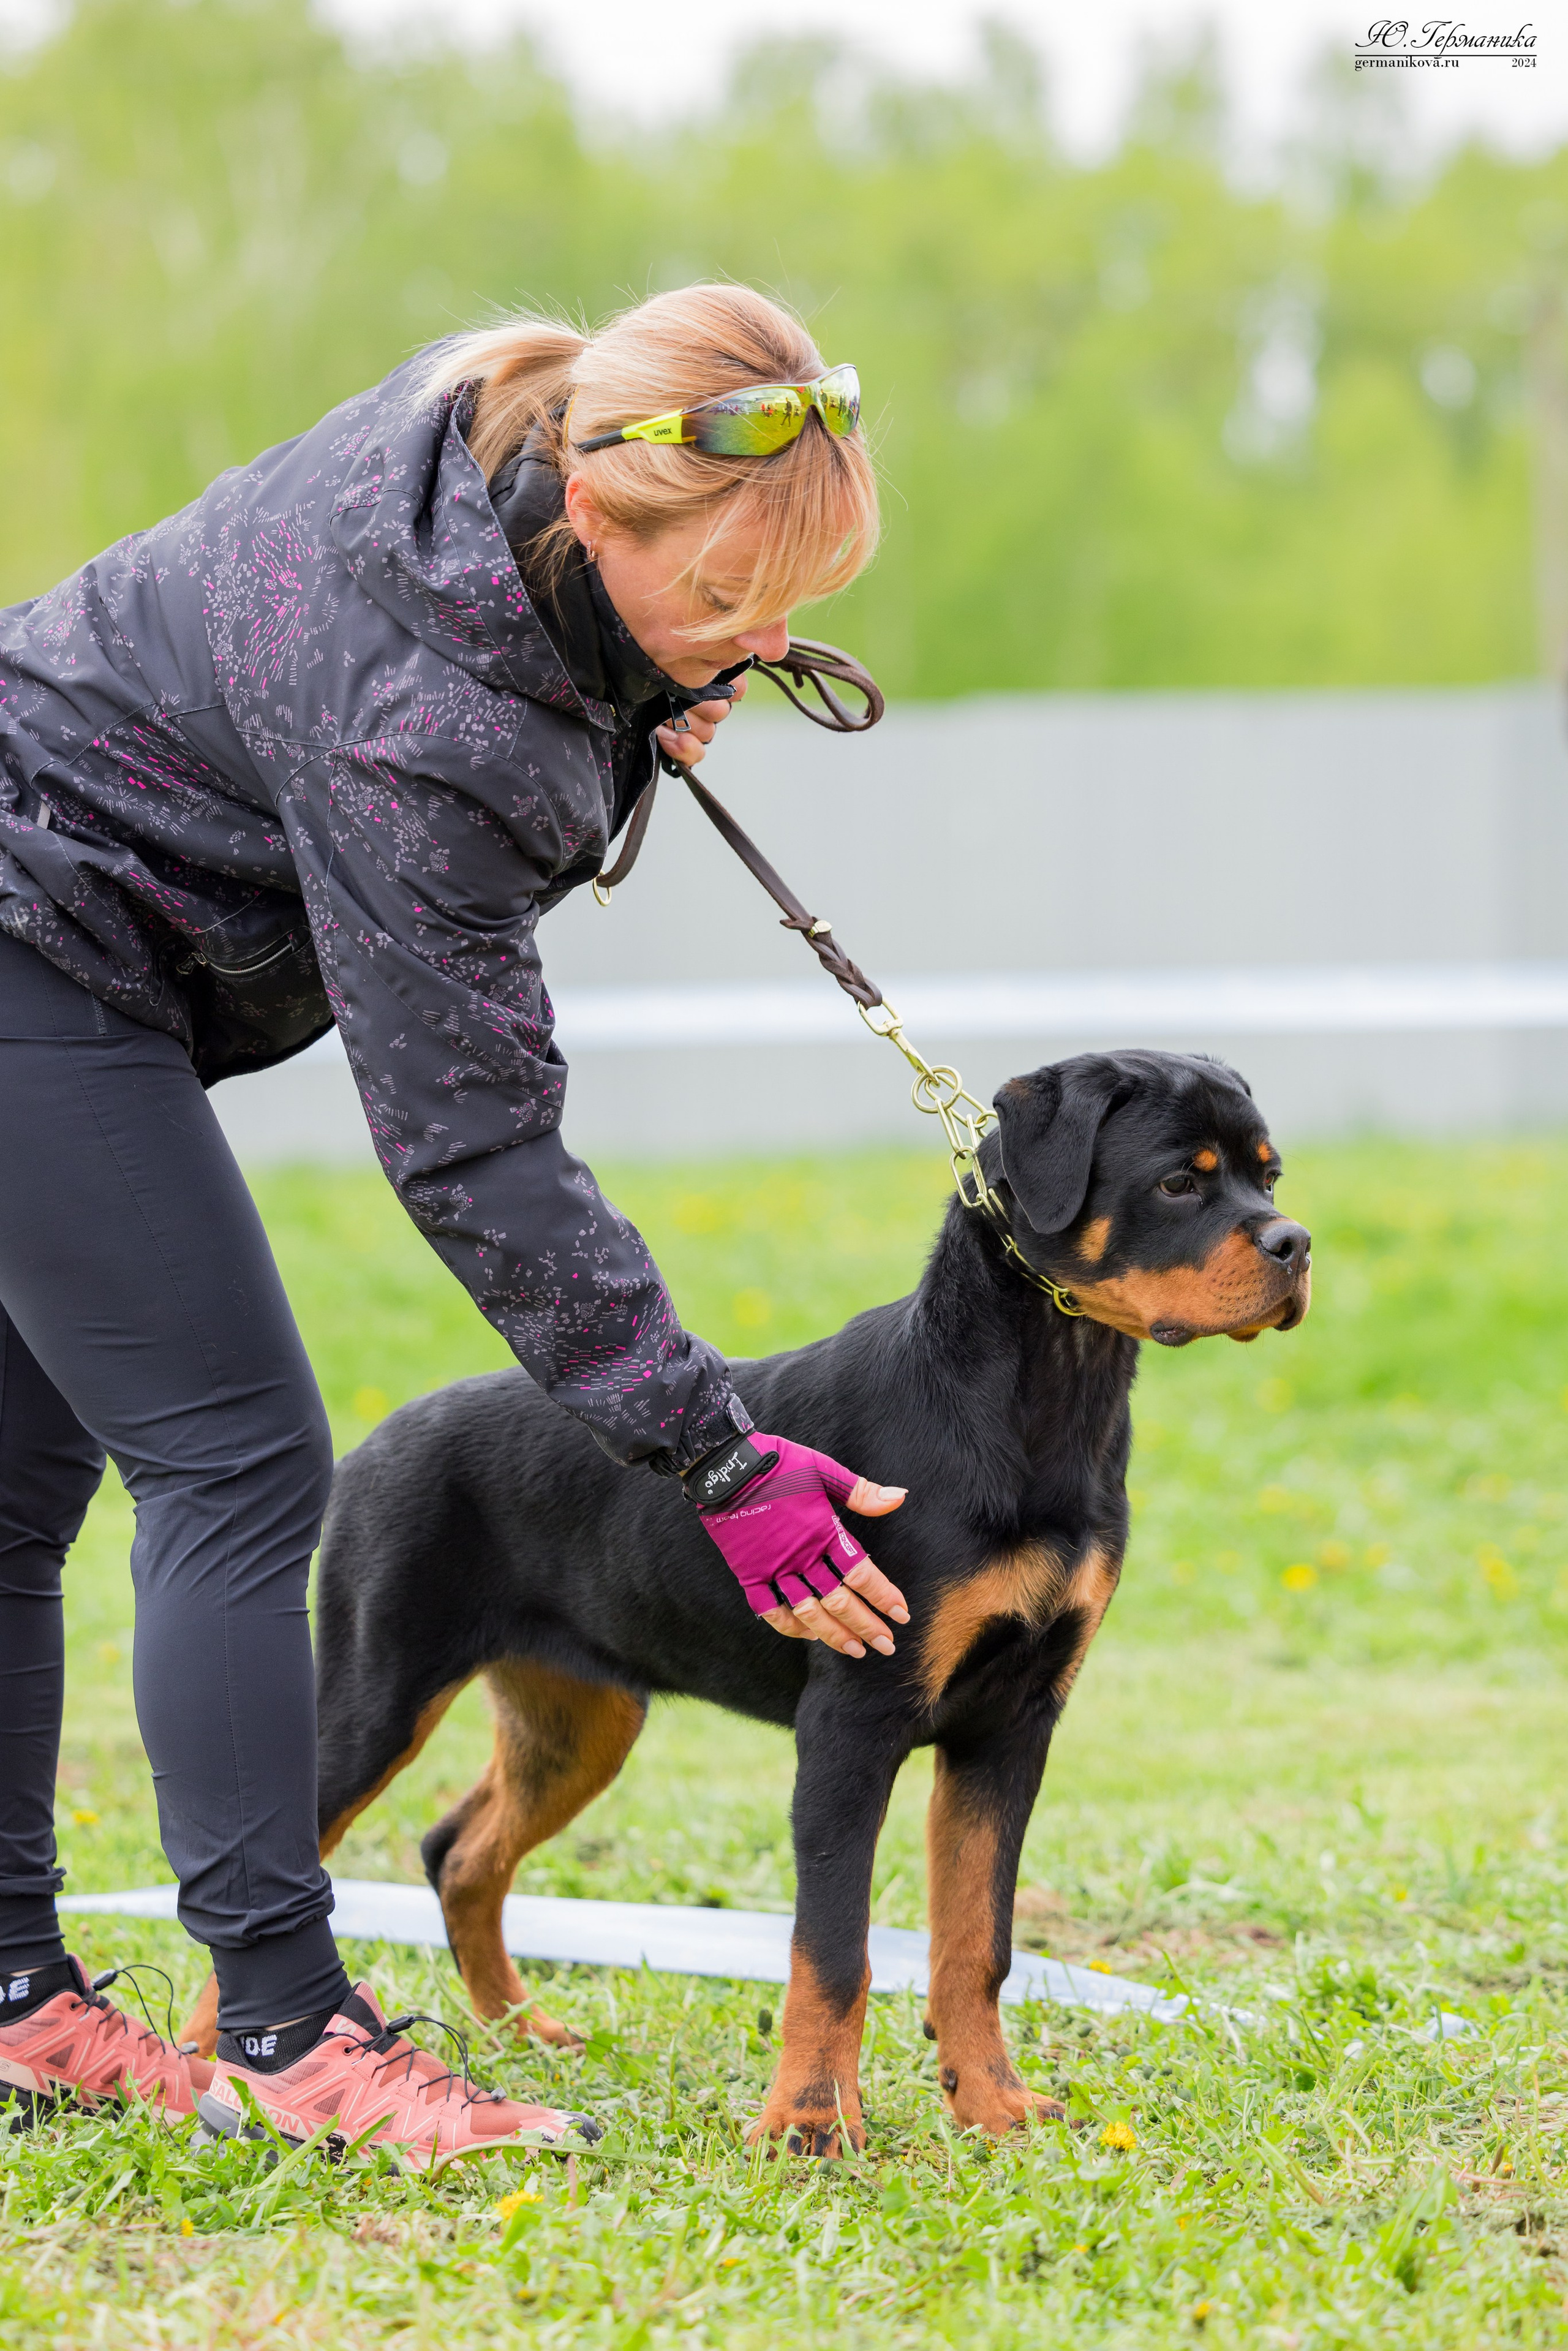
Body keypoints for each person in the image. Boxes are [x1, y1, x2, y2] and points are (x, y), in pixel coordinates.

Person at [0, 283, 912, 2154]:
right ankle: (291, 2033)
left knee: (19, 1489)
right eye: (731, 605)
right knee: (240, 1462)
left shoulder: (491, 431)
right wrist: (719, 1462)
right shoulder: (431, 716)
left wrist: (653, 681)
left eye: (794, 605)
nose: (766, 647)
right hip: (37, 948)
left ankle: (16, 2000)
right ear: (598, 518)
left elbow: (537, 682)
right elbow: (477, 1153)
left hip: (63, 921)